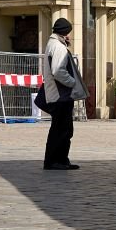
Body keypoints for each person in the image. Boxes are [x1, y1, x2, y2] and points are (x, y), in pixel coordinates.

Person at [42, 16, 83, 170]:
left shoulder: (52, 44)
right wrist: (73, 82)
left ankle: (61, 160)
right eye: (69, 32)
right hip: (60, 96)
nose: (70, 36)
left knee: (62, 129)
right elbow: (58, 71)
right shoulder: (58, 47)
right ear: (65, 33)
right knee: (61, 130)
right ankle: (54, 161)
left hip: (58, 95)